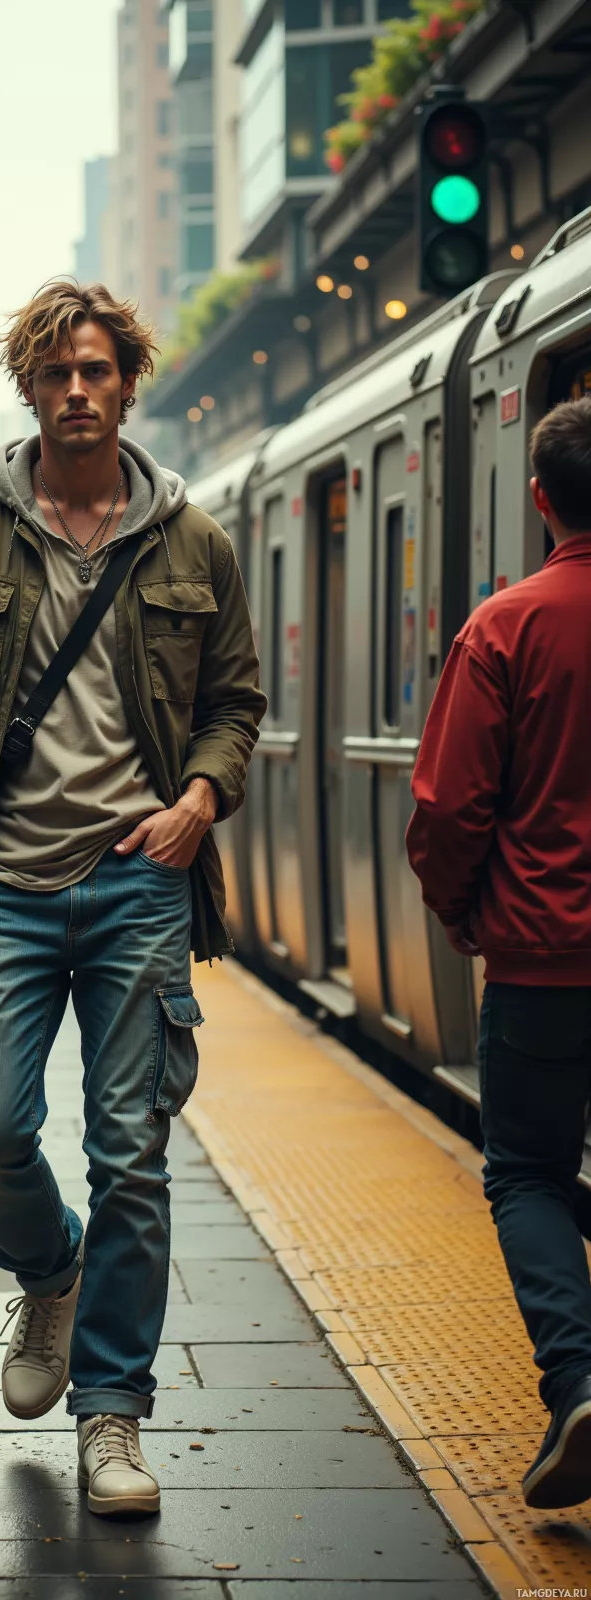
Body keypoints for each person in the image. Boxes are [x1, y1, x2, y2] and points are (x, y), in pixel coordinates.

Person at [0, 280, 265, 1516]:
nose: (77, 390)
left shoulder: (192, 541)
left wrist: (199, 799)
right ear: (28, 386)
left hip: (140, 880)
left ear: (126, 382)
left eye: (96, 370)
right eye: (56, 373)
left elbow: (235, 704)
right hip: (5, 888)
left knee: (130, 1154)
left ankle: (112, 1417)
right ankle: (50, 1269)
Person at [407, 396, 591, 1511]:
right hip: (535, 949)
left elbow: (448, 810)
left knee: (526, 1167)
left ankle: (575, 1384)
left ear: (538, 498)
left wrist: (463, 914)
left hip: (539, 957)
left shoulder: (507, 626)